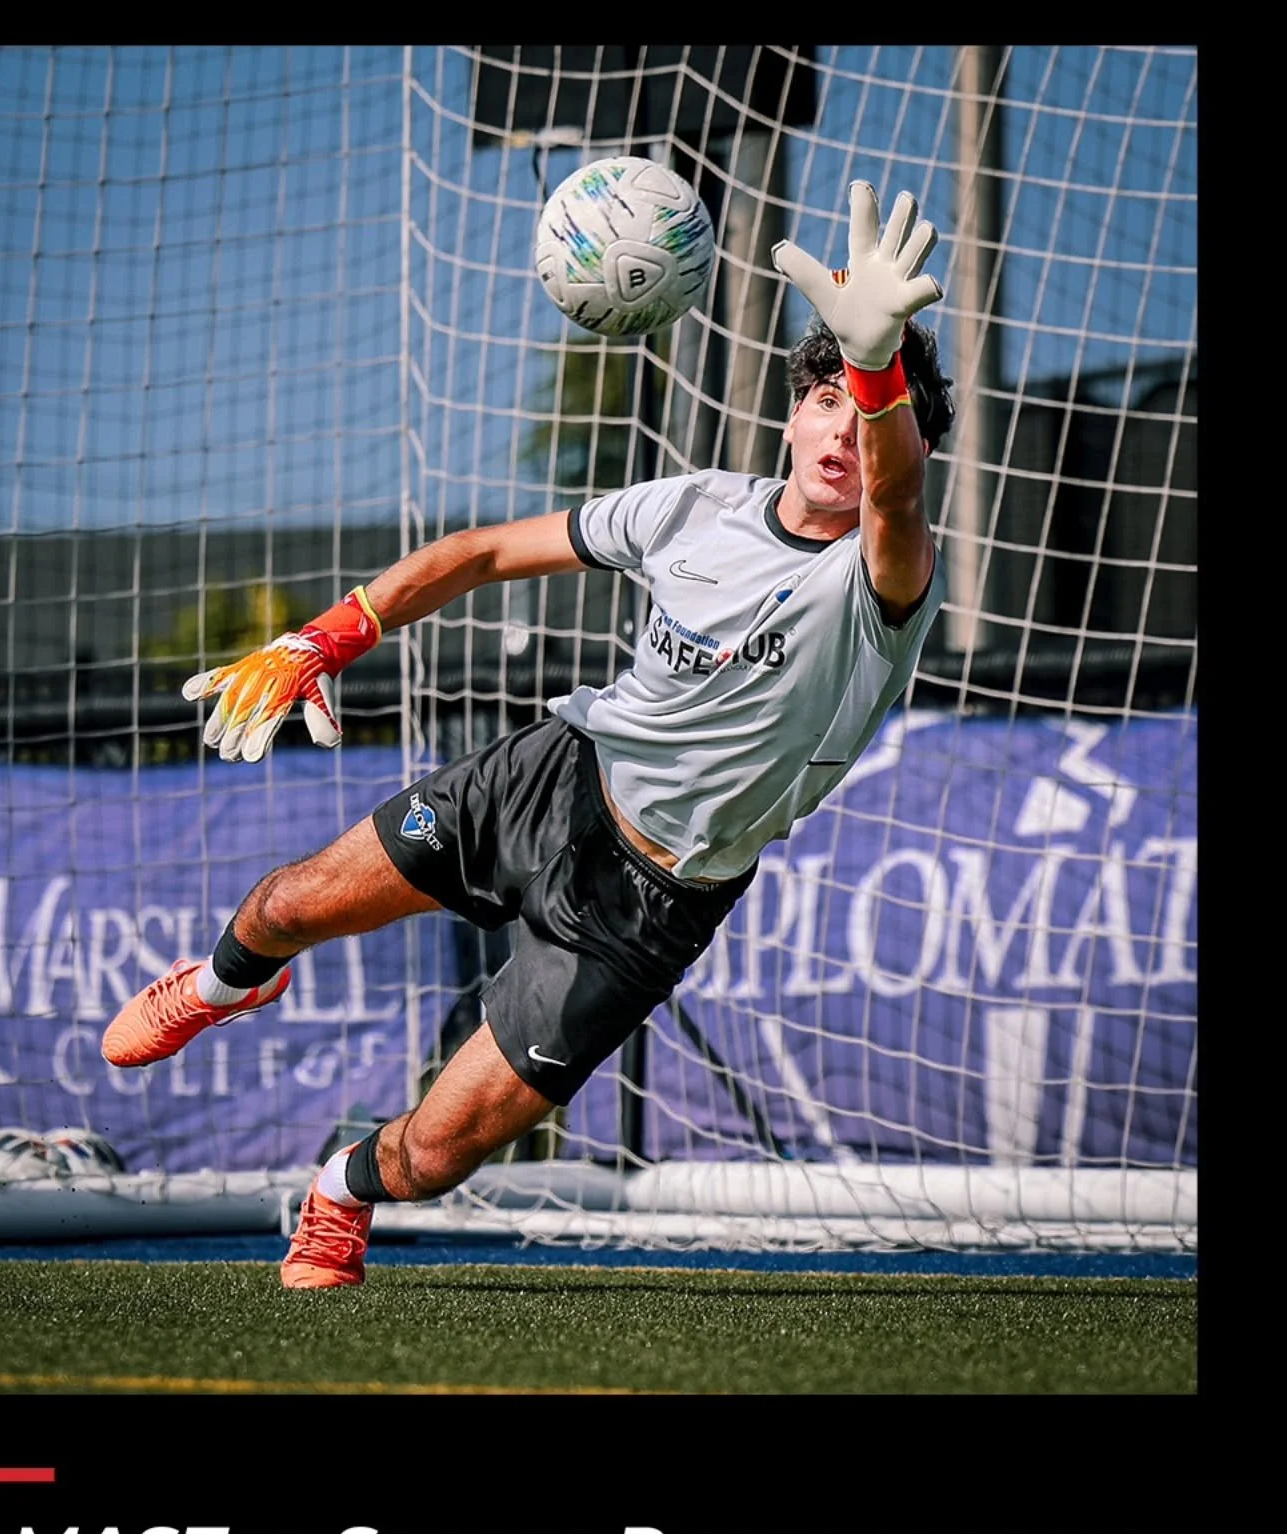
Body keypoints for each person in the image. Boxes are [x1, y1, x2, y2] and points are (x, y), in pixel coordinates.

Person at [102, 180, 956, 1291]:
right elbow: (487, 553)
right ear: (793, 413)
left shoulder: (883, 582)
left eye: (868, 411)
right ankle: (223, 987)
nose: (843, 428)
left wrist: (884, 369)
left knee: (434, 1157)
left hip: (653, 899)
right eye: (827, 399)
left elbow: (892, 501)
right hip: (556, 778)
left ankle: (336, 1193)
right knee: (281, 908)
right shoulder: (692, 507)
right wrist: (327, 637)